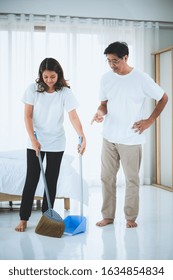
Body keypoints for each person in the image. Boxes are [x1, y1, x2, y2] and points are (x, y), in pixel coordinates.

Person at [91, 41, 168, 228]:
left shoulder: (141, 78)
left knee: (131, 180)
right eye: (108, 61)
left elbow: (163, 97)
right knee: (106, 178)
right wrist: (100, 113)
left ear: (126, 57)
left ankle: (130, 218)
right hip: (109, 136)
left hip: (131, 138)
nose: (112, 65)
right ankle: (108, 216)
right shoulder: (106, 78)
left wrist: (149, 120)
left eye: (115, 61)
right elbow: (104, 104)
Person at [15, 57, 86, 232]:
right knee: (32, 179)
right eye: (45, 77)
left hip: (56, 141)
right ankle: (23, 218)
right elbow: (28, 116)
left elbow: (73, 116)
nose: (49, 80)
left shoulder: (65, 92)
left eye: (52, 77)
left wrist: (82, 135)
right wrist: (33, 139)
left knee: (51, 180)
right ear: (41, 75)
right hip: (35, 139)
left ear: (59, 75)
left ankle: (47, 217)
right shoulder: (32, 90)